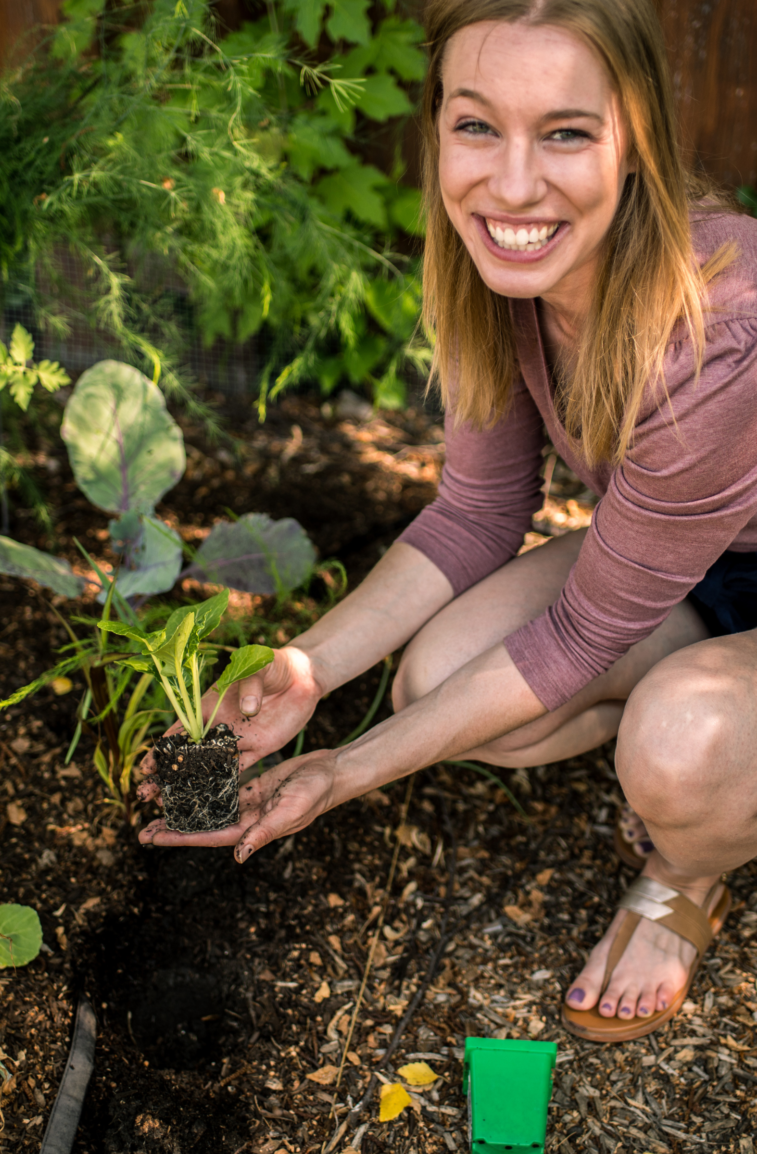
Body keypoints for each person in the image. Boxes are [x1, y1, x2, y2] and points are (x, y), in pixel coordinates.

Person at [137, 0, 757, 1043]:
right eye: (478, 126)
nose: (512, 185)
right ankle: (703, 756)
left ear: (637, 142)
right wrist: (306, 670)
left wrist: (343, 768)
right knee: (438, 678)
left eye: (566, 131)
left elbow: (579, 634)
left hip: (676, 573)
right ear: (436, 133)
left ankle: (691, 855)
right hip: (694, 566)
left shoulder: (720, 329)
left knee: (681, 741)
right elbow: (475, 512)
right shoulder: (506, 269)